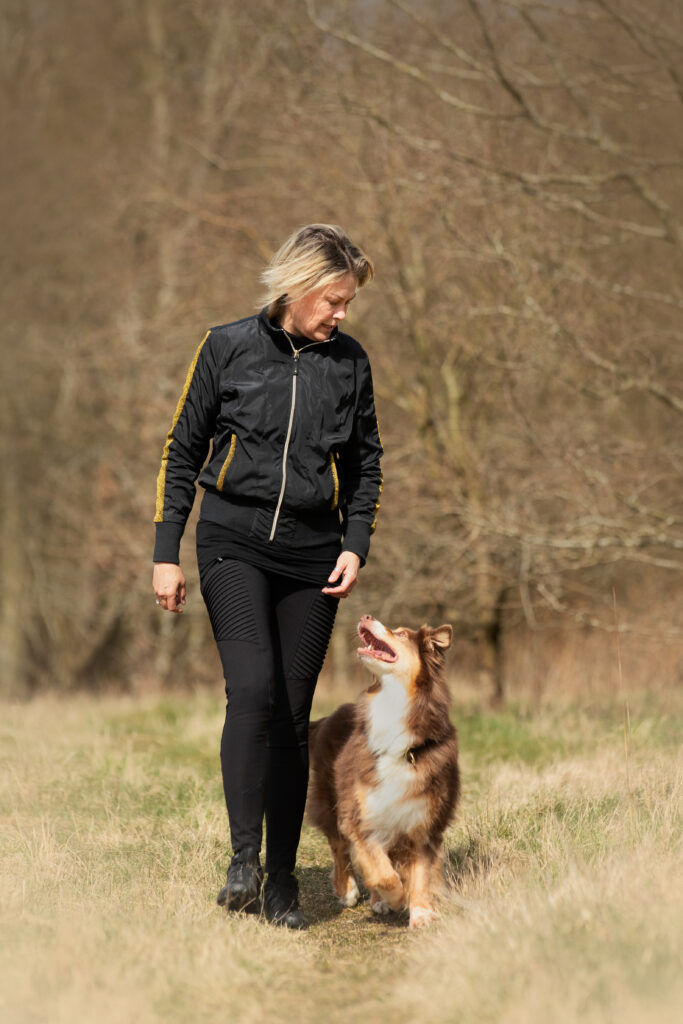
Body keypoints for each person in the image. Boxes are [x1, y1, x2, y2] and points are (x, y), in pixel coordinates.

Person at [152, 224, 383, 929]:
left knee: (289, 713)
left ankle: (282, 881)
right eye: (334, 299)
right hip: (232, 542)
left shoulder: (348, 363)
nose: (341, 313)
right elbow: (182, 447)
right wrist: (166, 549)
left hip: (314, 555)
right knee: (251, 689)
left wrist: (355, 542)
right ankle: (242, 861)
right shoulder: (227, 347)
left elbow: (368, 460)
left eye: (347, 302)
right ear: (297, 285)